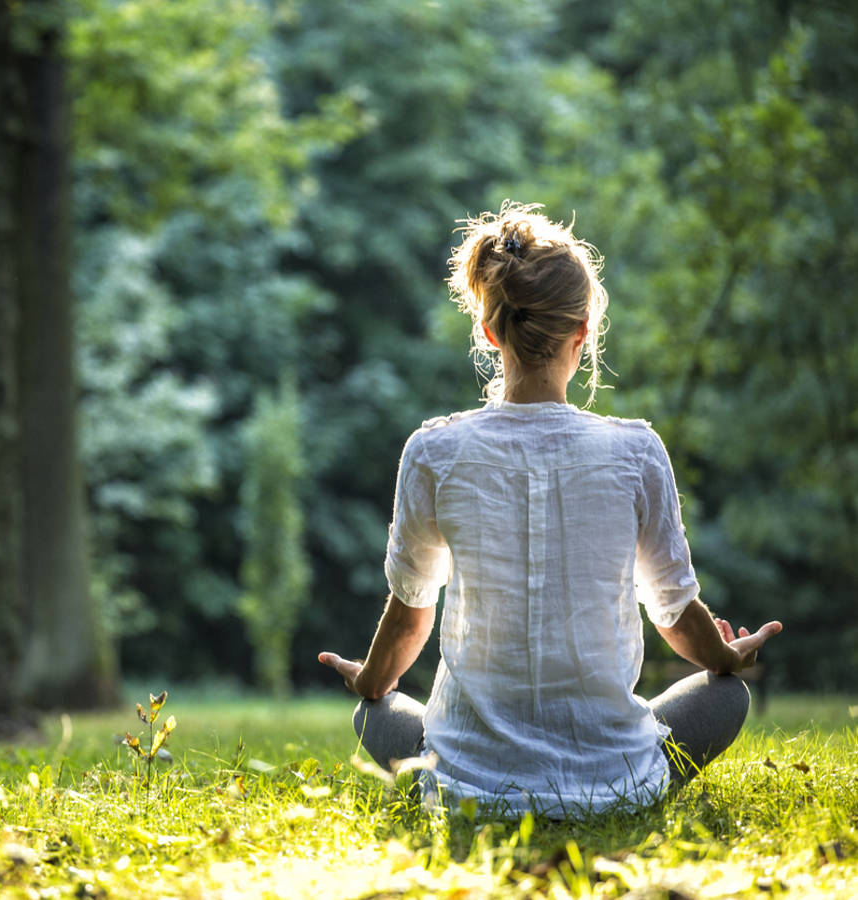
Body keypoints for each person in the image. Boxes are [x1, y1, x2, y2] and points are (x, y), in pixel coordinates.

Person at [319, 201, 782, 816]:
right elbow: (674, 614)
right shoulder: (636, 452)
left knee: (372, 713)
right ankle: (622, 786)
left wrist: (371, 681)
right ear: (582, 333)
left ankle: (461, 772)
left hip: (468, 788)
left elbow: (410, 619)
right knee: (727, 699)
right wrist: (726, 656)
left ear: (490, 331)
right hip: (613, 780)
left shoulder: (433, 451)